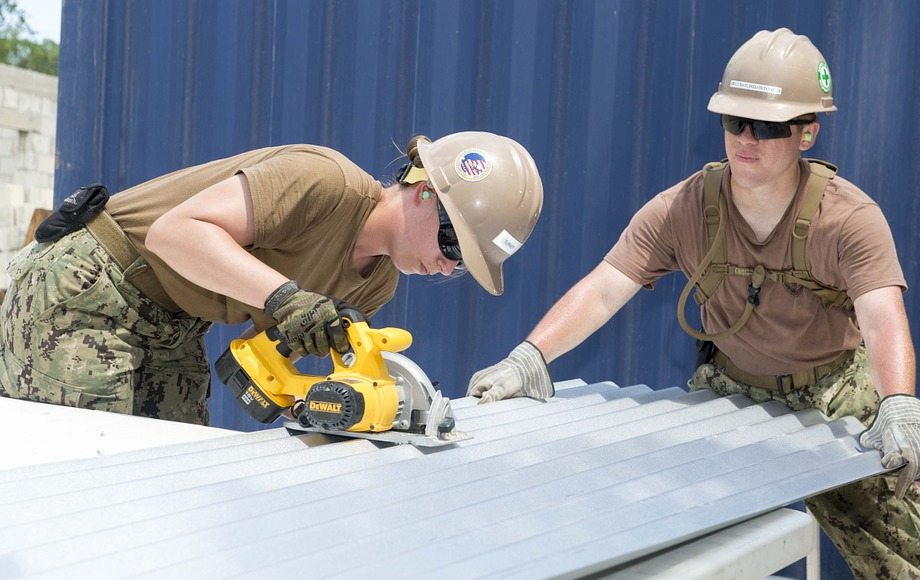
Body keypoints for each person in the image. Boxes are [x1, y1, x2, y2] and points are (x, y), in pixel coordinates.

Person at [468, 28, 920, 580]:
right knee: (677, 568)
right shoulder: (685, 209)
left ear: (808, 131)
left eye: (768, 126)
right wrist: (527, 358)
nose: (747, 139)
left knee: (902, 577)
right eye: (735, 121)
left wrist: (900, 406)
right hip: (729, 390)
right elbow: (604, 287)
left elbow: (884, 318)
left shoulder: (849, 218)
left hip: (835, 394)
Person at [0, 131, 544, 426]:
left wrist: (323, 402)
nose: (448, 267)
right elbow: (174, 233)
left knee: (168, 480)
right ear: (426, 192)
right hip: (88, 286)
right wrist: (285, 298)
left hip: (174, 322)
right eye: (453, 245)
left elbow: (253, 363)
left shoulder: (374, 286)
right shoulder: (324, 181)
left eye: (463, 266)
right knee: (92, 477)